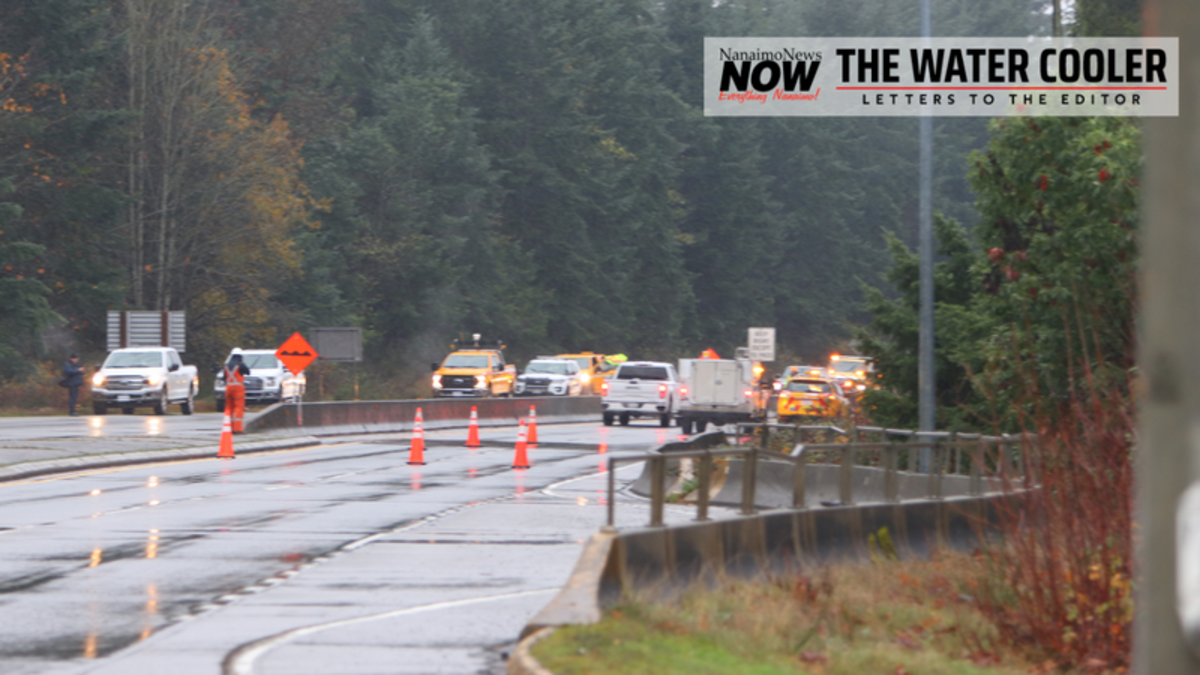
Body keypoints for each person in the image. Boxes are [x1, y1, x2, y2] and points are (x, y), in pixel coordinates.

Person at [224, 348, 251, 433]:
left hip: (228, 388)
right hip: (238, 389)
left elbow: (224, 378)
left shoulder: (226, 365)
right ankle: (238, 429)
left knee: (229, 408)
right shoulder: (241, 364)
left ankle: (228, 427)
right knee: (238, 408)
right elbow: (248, 372)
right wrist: (242, 363)